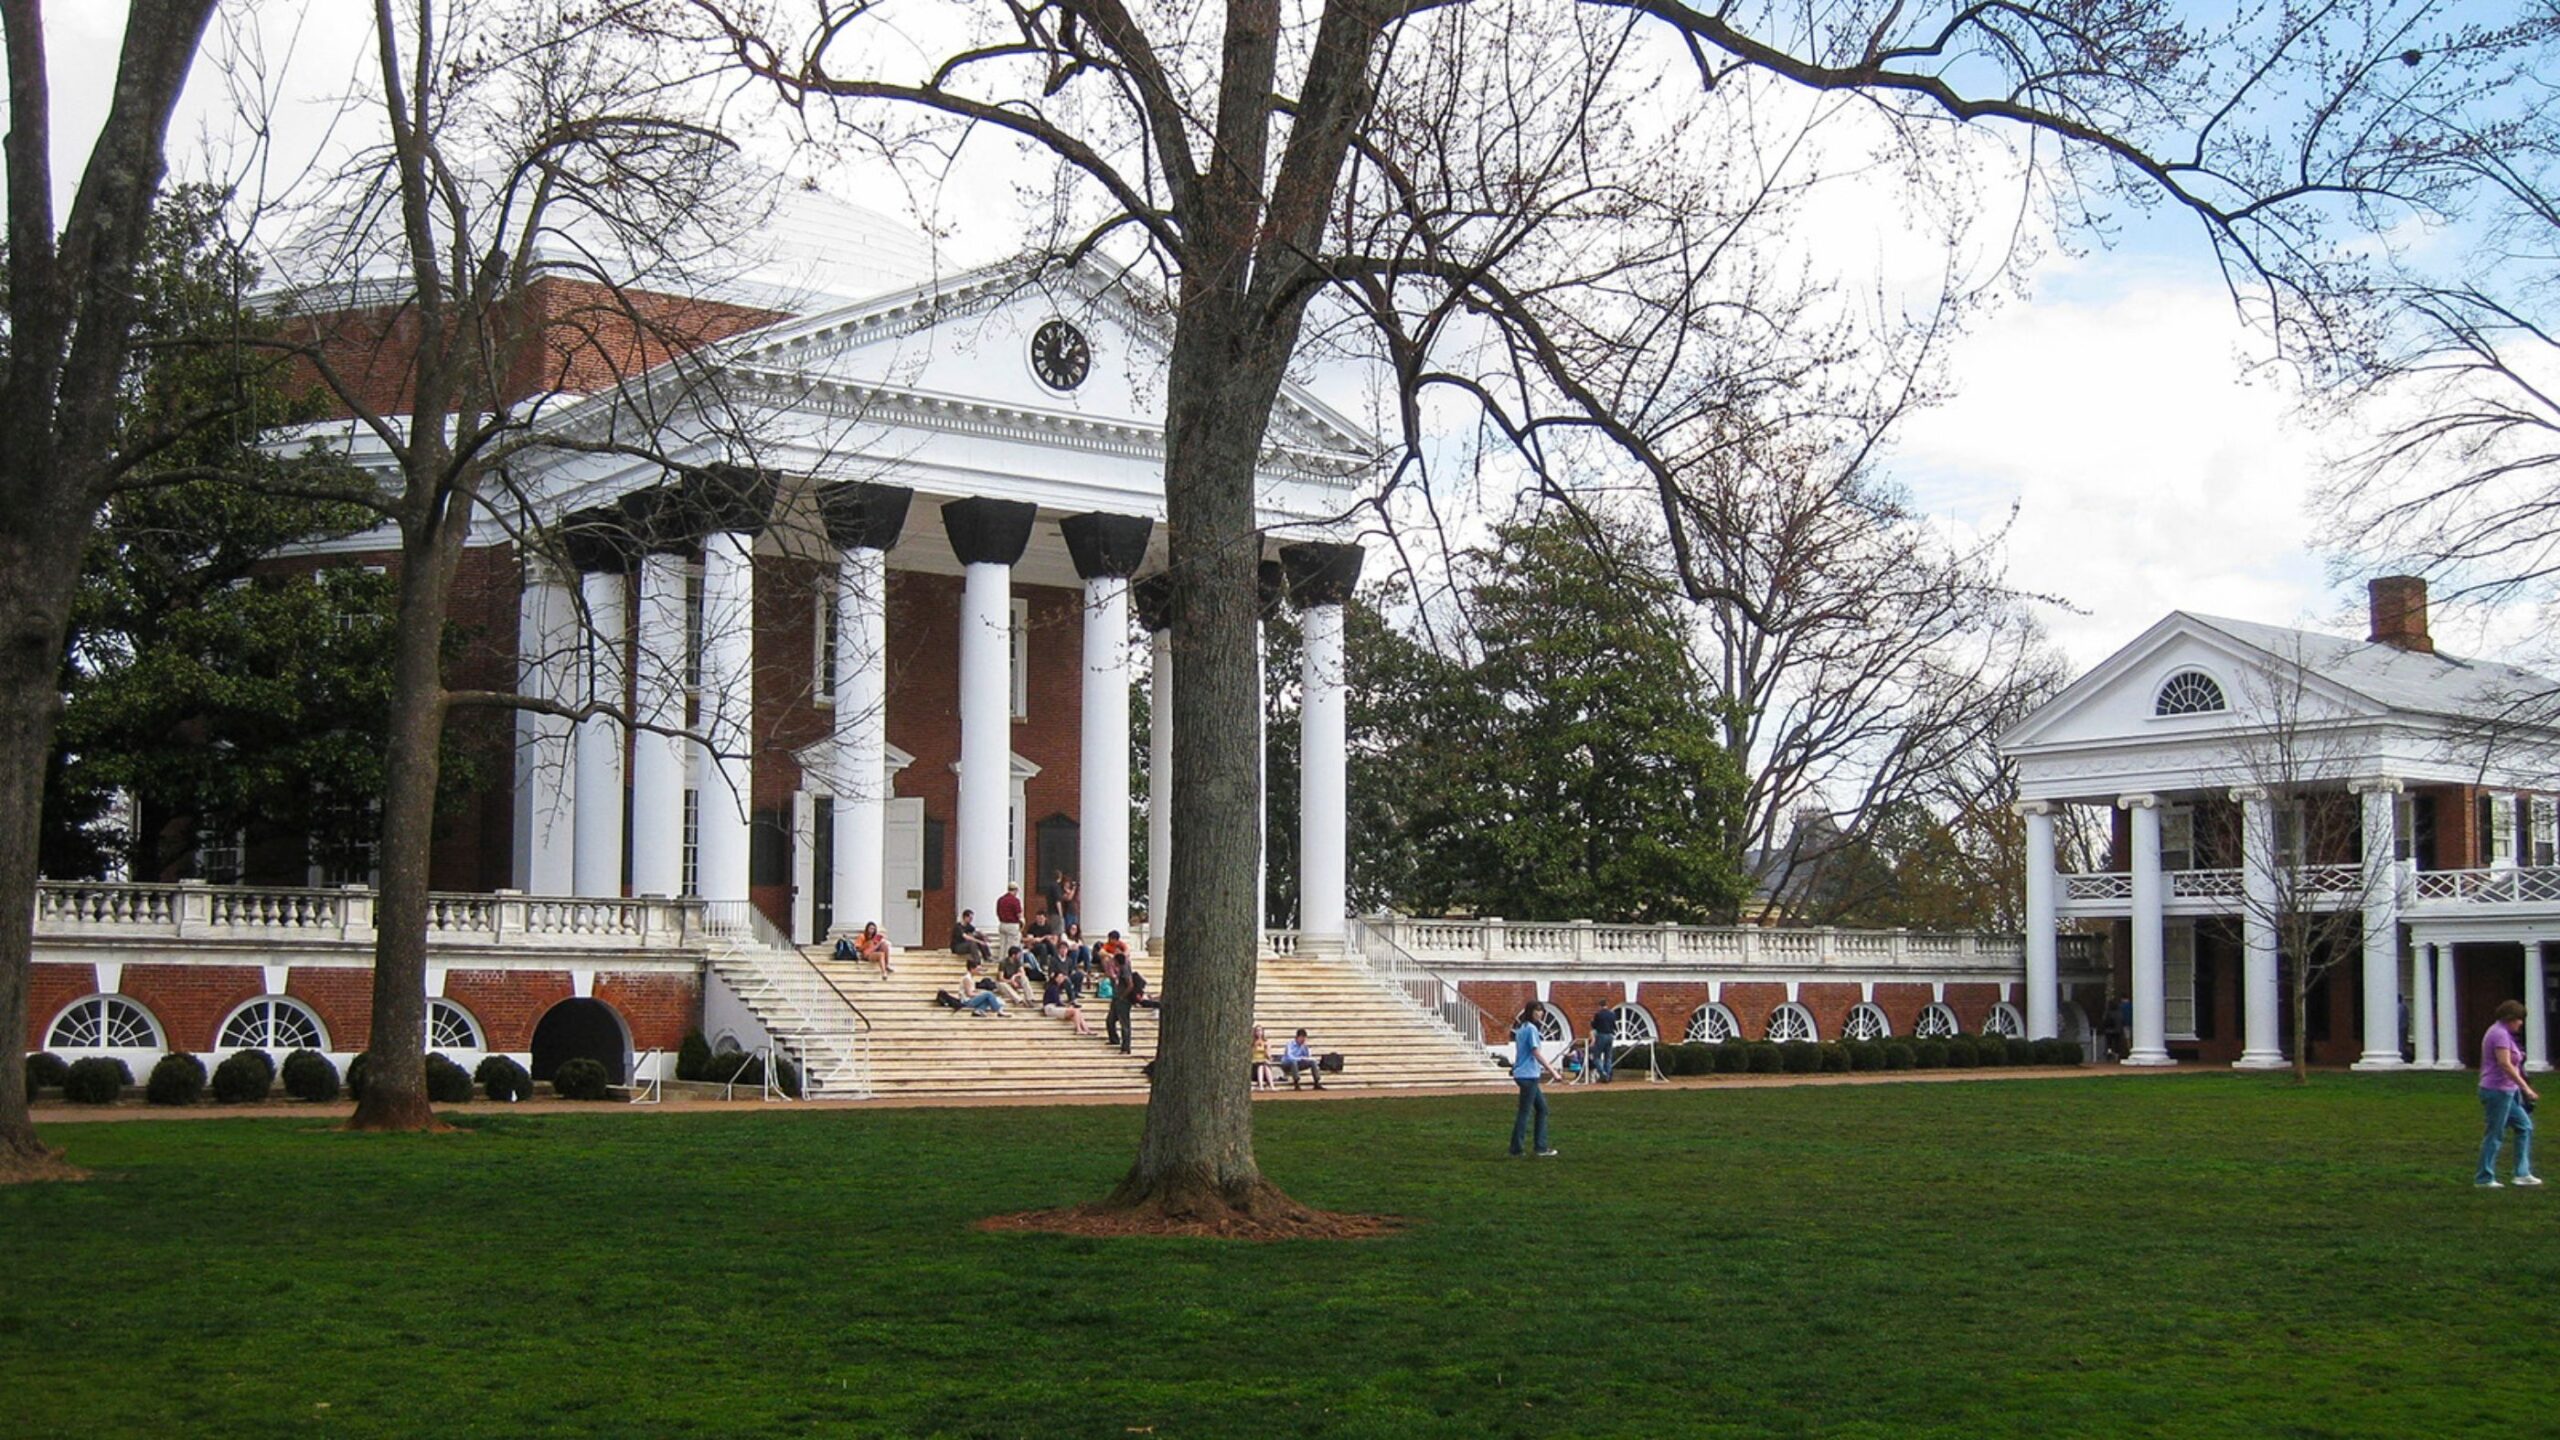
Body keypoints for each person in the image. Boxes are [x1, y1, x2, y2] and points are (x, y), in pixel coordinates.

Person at [2478, 998, 2540, 1188]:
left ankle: (2522, 1173)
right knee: (2495, 1134)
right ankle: (2484, 1177)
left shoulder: (2504, 1034)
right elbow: (2505, 1064)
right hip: (2496, 1090)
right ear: (2510, 1018)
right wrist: (2526, 1088)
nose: (2521, 1023)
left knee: (2525, 1127)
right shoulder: (2499, 1034)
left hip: (2508, 1091)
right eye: (2519, 1019)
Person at [1510, 1002, 1560, 1158]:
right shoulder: (1531, 1029)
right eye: (1537, 1010)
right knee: (1525, 1112)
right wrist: (1553, 1071)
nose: (1540, 1014)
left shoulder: (1522, 1028)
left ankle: (1539, 1146)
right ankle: (1519, 1148)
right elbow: (1535, 1052)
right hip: (1528, 1075)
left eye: (1541, 1011)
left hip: (1523, 1074)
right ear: (1530, 1012)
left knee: (1542, 1109)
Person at [1107, 955, 1146, 1054]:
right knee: (1110, 1020)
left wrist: (1123, 996)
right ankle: (1114, 1040)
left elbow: (1130, 985)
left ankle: (1126, 1047)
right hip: (1117, 998)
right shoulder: (1120, 969)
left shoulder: (1125, 970)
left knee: (1124, 1024)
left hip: (1123, 1000)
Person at [1042, 971, 1093, 1035]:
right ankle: (1078, 1029)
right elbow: (1057, 1002)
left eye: (1062, 977)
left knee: (1077, 1012)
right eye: (1059, 977)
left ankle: (1087, 1029)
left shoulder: (1058, 987)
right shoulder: (1052, 987)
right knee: (1075, 1011)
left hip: (1054, 1007)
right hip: (1050, 1008)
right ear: (1055, 978)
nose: (1061, 979)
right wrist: (1067, 1006)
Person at [1590, 1003, 1619, 1083]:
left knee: (1596, 1056)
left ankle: (1603, 1073)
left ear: (1600, 1006)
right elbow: (1614, 1026)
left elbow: (1594, 1026)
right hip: (1610, 1035)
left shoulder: (1598, 1014)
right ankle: (1608, 1075)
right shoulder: (1612, 1014)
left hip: (1601, 1035)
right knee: (1608, 1057)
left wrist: (1592, 1022)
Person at [996, 882, 1025, 952]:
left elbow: (998, 912)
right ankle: (1009, 962)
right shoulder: (1015, 901)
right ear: (1015, 890)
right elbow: (1019, 915)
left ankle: (1002, 961)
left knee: (1003, 946)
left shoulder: (1000, 899)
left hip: (1002, 924)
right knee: (1012, 948)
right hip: (1012, 925)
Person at [1251, 1024, 1276, 1090]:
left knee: (1264, 1065)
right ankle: (1261, 1086)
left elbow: (1269, 1057)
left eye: (1260, 1031)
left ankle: (1272, 1085)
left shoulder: (1266, 1042)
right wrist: (1255, 1046)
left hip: (1264, 1063)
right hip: (1254, 1064)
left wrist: (1266, 1049)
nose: (1259, 1032)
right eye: (1257, 1031)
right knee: (1261, 1066)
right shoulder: (1252, 1043)